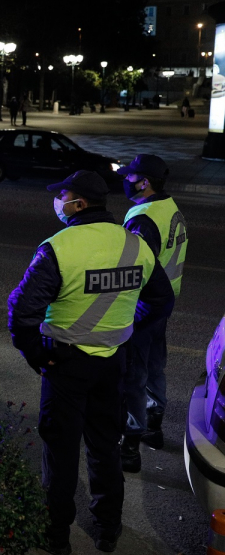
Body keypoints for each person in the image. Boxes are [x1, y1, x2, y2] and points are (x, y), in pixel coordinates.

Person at [8, 170, 174, 555]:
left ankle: (57, 536)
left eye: (62, 195)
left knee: (61, 453)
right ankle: (107, 530)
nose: (58, 202)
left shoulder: (59, 248)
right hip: (113, 365)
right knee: (105, 447)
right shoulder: (135, 245)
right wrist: (125, 331)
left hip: (65, 365)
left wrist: (41, 358)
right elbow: (161, 300)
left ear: (79, 204)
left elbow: (21, 312)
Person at [117, 154, 187, 472]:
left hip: (143, 307)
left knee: (134, 375)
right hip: (163, 305)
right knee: (155, 368)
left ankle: (130, 446)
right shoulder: (169, 208)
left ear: (144, 182)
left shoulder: (144, 218)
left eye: (130, 177)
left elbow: (135, 268)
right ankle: (153, 428)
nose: (125, 181)